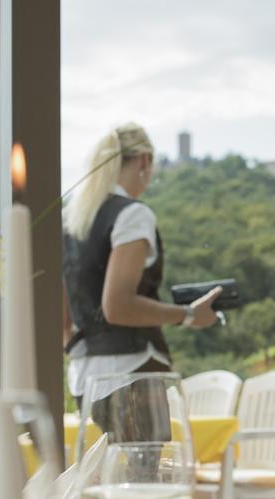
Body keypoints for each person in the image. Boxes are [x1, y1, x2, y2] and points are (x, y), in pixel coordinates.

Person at [62, 123, 221, 434]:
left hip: (84, 377)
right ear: (144, 161)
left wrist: (87, 348)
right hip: (133, 373)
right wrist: (189, 315)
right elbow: (117, 307)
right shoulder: (132, 215)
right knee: (147, 477)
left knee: (103, 476)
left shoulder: (71, 219)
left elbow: (62, 315)